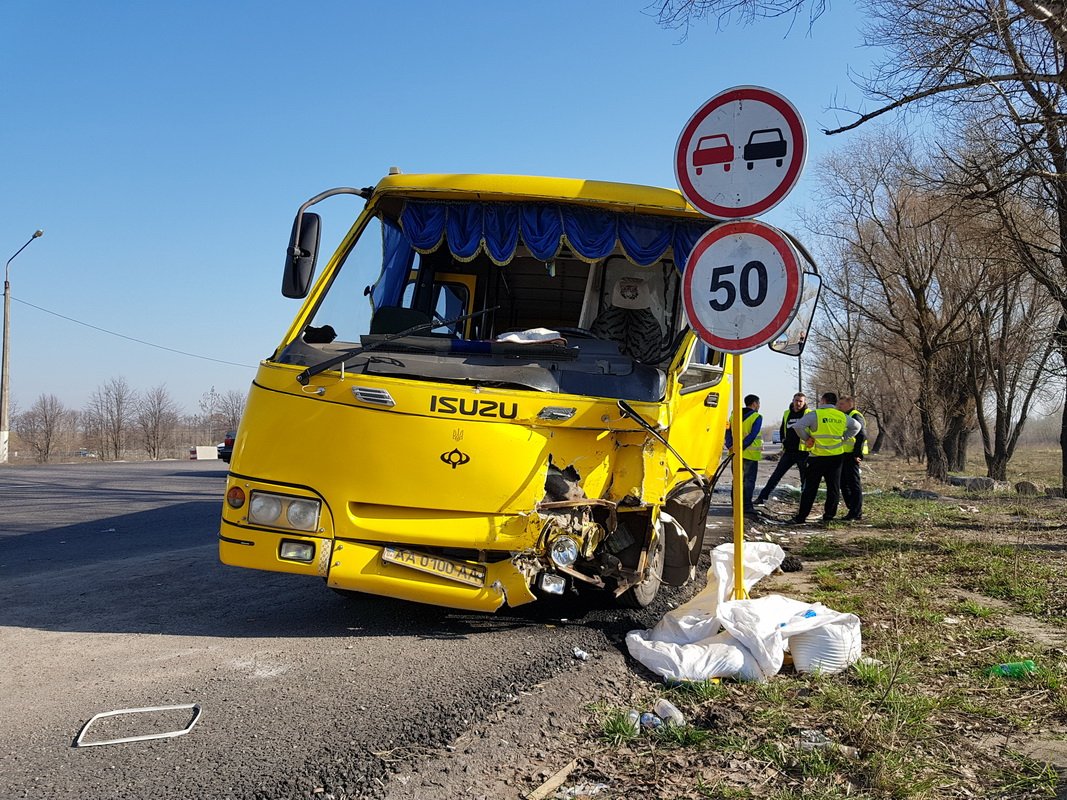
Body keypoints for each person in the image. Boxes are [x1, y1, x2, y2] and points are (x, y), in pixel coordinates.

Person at [788, 391, 861, 524]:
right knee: (833, 488)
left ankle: (802, 516)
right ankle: (829, 516)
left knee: (810, 488)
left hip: (817, 456)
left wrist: (807, 438)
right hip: (836, 457)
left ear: (823, 401)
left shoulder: (815, 414)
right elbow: (857, 426)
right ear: (835, 402)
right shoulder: (841, 416)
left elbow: (798, 426)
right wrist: (844, 437)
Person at [754, 392, 809, 506]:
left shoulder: (808, 413)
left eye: (801, 401)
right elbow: (782, 429)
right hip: (789, 451)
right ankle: (762, 497)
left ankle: (805, 503)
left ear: (804, 402)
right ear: (793, 400)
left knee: (805, 478)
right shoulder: (787, 413)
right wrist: (783, 441)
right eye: (796, 400)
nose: (798, 403)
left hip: (803, 452)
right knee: (776, 476)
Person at [724, 394, 762, 513]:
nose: (759, 406)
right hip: (749, 455)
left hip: (734, 453)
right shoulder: (757, 417)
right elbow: (752, 435)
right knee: (748, 482)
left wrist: (730, 445)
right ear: (754, 403)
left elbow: (727, 431)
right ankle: (746, 507)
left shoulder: (733, 415)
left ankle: (735, 505)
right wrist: (741, 447)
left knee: (736, 480)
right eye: (758, 403)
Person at [837, 396, 868, 521]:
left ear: (850, 404)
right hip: (844, 454)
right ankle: (852, 509)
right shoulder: (844, 416)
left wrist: (857, 454)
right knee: (843, 483)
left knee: (853, 484)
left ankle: (856, 512)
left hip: (852, 455)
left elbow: (861, 435)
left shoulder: (855, 415)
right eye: (838, 404)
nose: (839, 406)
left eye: (842, 404)